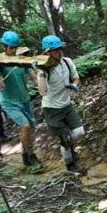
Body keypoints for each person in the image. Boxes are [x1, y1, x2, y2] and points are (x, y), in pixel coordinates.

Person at [34, 35, 87, 175]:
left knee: (79, 132)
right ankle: (70, 165)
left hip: (66, 105)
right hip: (51, 108)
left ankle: (68, 148)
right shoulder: (44, 69)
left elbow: (76, 78)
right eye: (55, 50)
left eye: (59, 49)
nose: (59, 52)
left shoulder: (67, 62)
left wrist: (74, 85)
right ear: (47, 52)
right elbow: (43, 91)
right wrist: (40, 73)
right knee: (64, 138)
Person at [0, 31, 42, 171]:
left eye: (15, 47)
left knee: (29, 129)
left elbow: (32, 76)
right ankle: (32, 157)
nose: (13, 50)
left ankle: (25, 155)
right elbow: (1, 87)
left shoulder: (20, 59)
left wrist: (41, 86)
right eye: (10, 47)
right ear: (4, 46)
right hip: (9, 102)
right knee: (25, 126)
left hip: (24, 99)